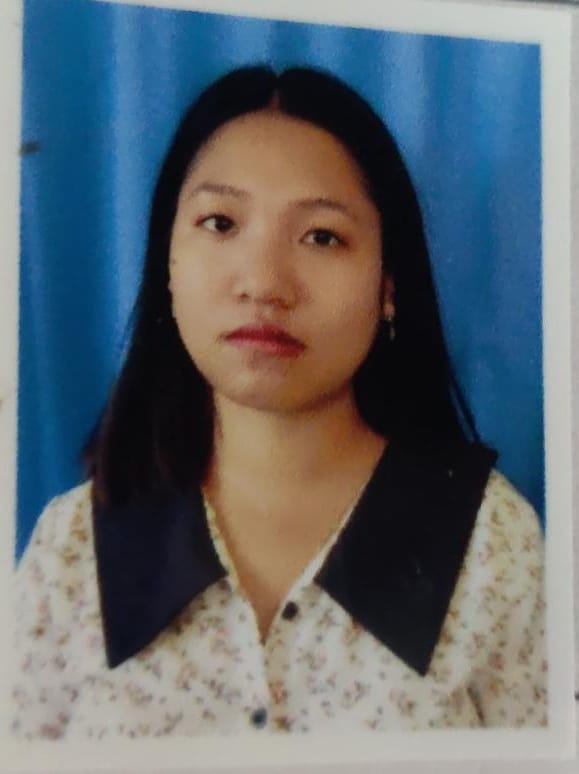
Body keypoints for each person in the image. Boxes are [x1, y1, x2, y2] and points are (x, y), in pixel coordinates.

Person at [12, 66, 547, 739]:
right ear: (167, 265)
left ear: (388, 286)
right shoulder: (71, 549)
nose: (264, 282)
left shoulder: (491, 544)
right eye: (220, 222)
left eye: (321, 236)